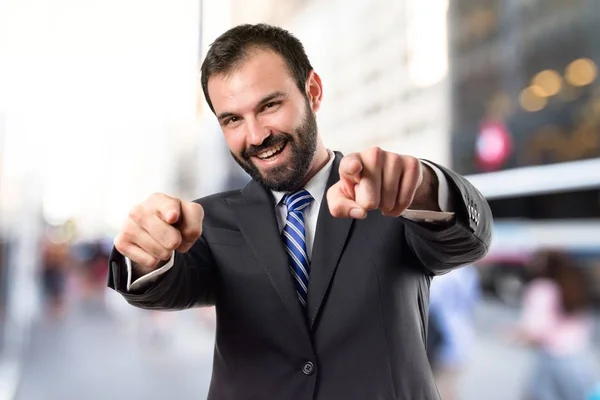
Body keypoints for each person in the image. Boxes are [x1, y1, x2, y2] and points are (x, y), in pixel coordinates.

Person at [107, 23, 492, 400]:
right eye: (233, 120)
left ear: (313, 91)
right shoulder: (209, 222)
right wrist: (144, 253)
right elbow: (158, 289)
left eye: (270, 105)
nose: (256, 135)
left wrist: (422, 186)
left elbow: (470, 241)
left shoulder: (389, 200)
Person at [509, 250, 598, 400]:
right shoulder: (575, 284)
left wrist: (514, 334)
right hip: (579, 358)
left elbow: (535, 332)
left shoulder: (541, 288)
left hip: (552, 360)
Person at [428, 265, 481, 400]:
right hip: (462, 335)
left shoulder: (438, 274)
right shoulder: (467, 271)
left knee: (439, 390)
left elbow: (430, 304)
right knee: (448, 388)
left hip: (443, 338)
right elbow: (472, 303)